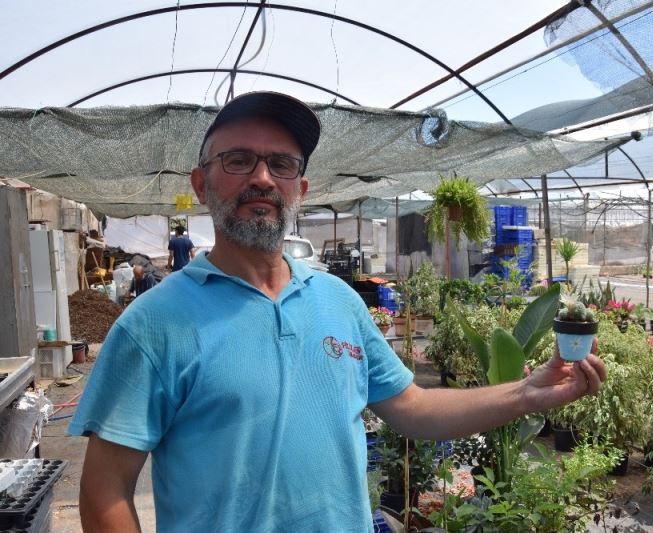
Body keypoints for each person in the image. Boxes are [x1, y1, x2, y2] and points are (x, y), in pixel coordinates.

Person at [68, 91, 607, 532]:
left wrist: (527, 393)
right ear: (200, 183)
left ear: (299, 190)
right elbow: (104, 489)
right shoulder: (153, 323)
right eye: (238, 160)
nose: (262, 178)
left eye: (281, 164)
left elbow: (414, 408)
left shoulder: (339, 301)